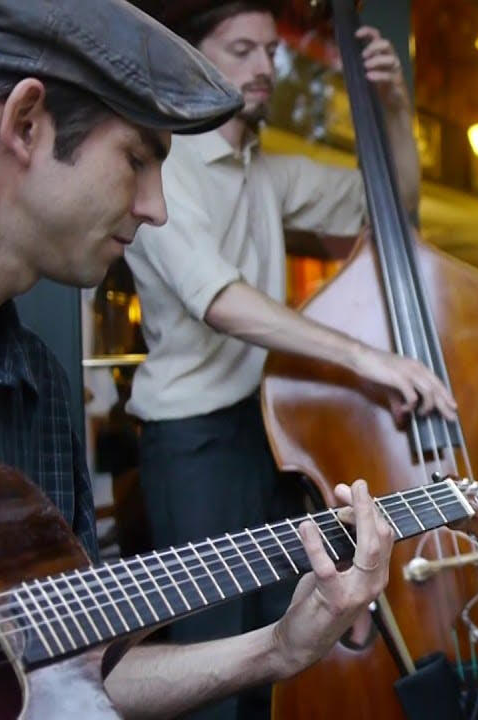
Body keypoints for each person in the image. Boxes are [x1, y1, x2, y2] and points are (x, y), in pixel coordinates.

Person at [0, 0, 395, 717]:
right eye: (136, 159)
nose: (156, 207)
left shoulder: (39, 388)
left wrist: (279, 648)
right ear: (26, 124)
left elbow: (73, 675)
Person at [124, 3, 455, 716]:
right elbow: (219, 299)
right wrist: (366, 357)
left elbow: (390, 205)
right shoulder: (169, 168)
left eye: (269, 52)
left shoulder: (263, 172)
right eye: (240, 49)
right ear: (194, 59)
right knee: (210, 662)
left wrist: (394, 108)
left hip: (267, 438)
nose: (262, 67)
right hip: (195, 444)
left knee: (282, 659)